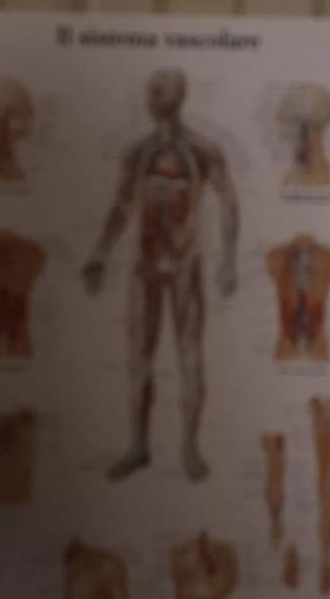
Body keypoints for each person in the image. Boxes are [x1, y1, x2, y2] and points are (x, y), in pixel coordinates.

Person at [81, 68, 239, 483]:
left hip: (185, 264)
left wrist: (229, 259)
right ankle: (138, 447)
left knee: (189, 356)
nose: (151, 98)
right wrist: (100, 253)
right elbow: (122, 206)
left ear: (178, 96)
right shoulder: (137, 152)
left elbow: (229, 201)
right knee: (139, 359)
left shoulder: (203, 149)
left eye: (159, 91)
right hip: (145, 265)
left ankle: (190, 448)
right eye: (150, 90)